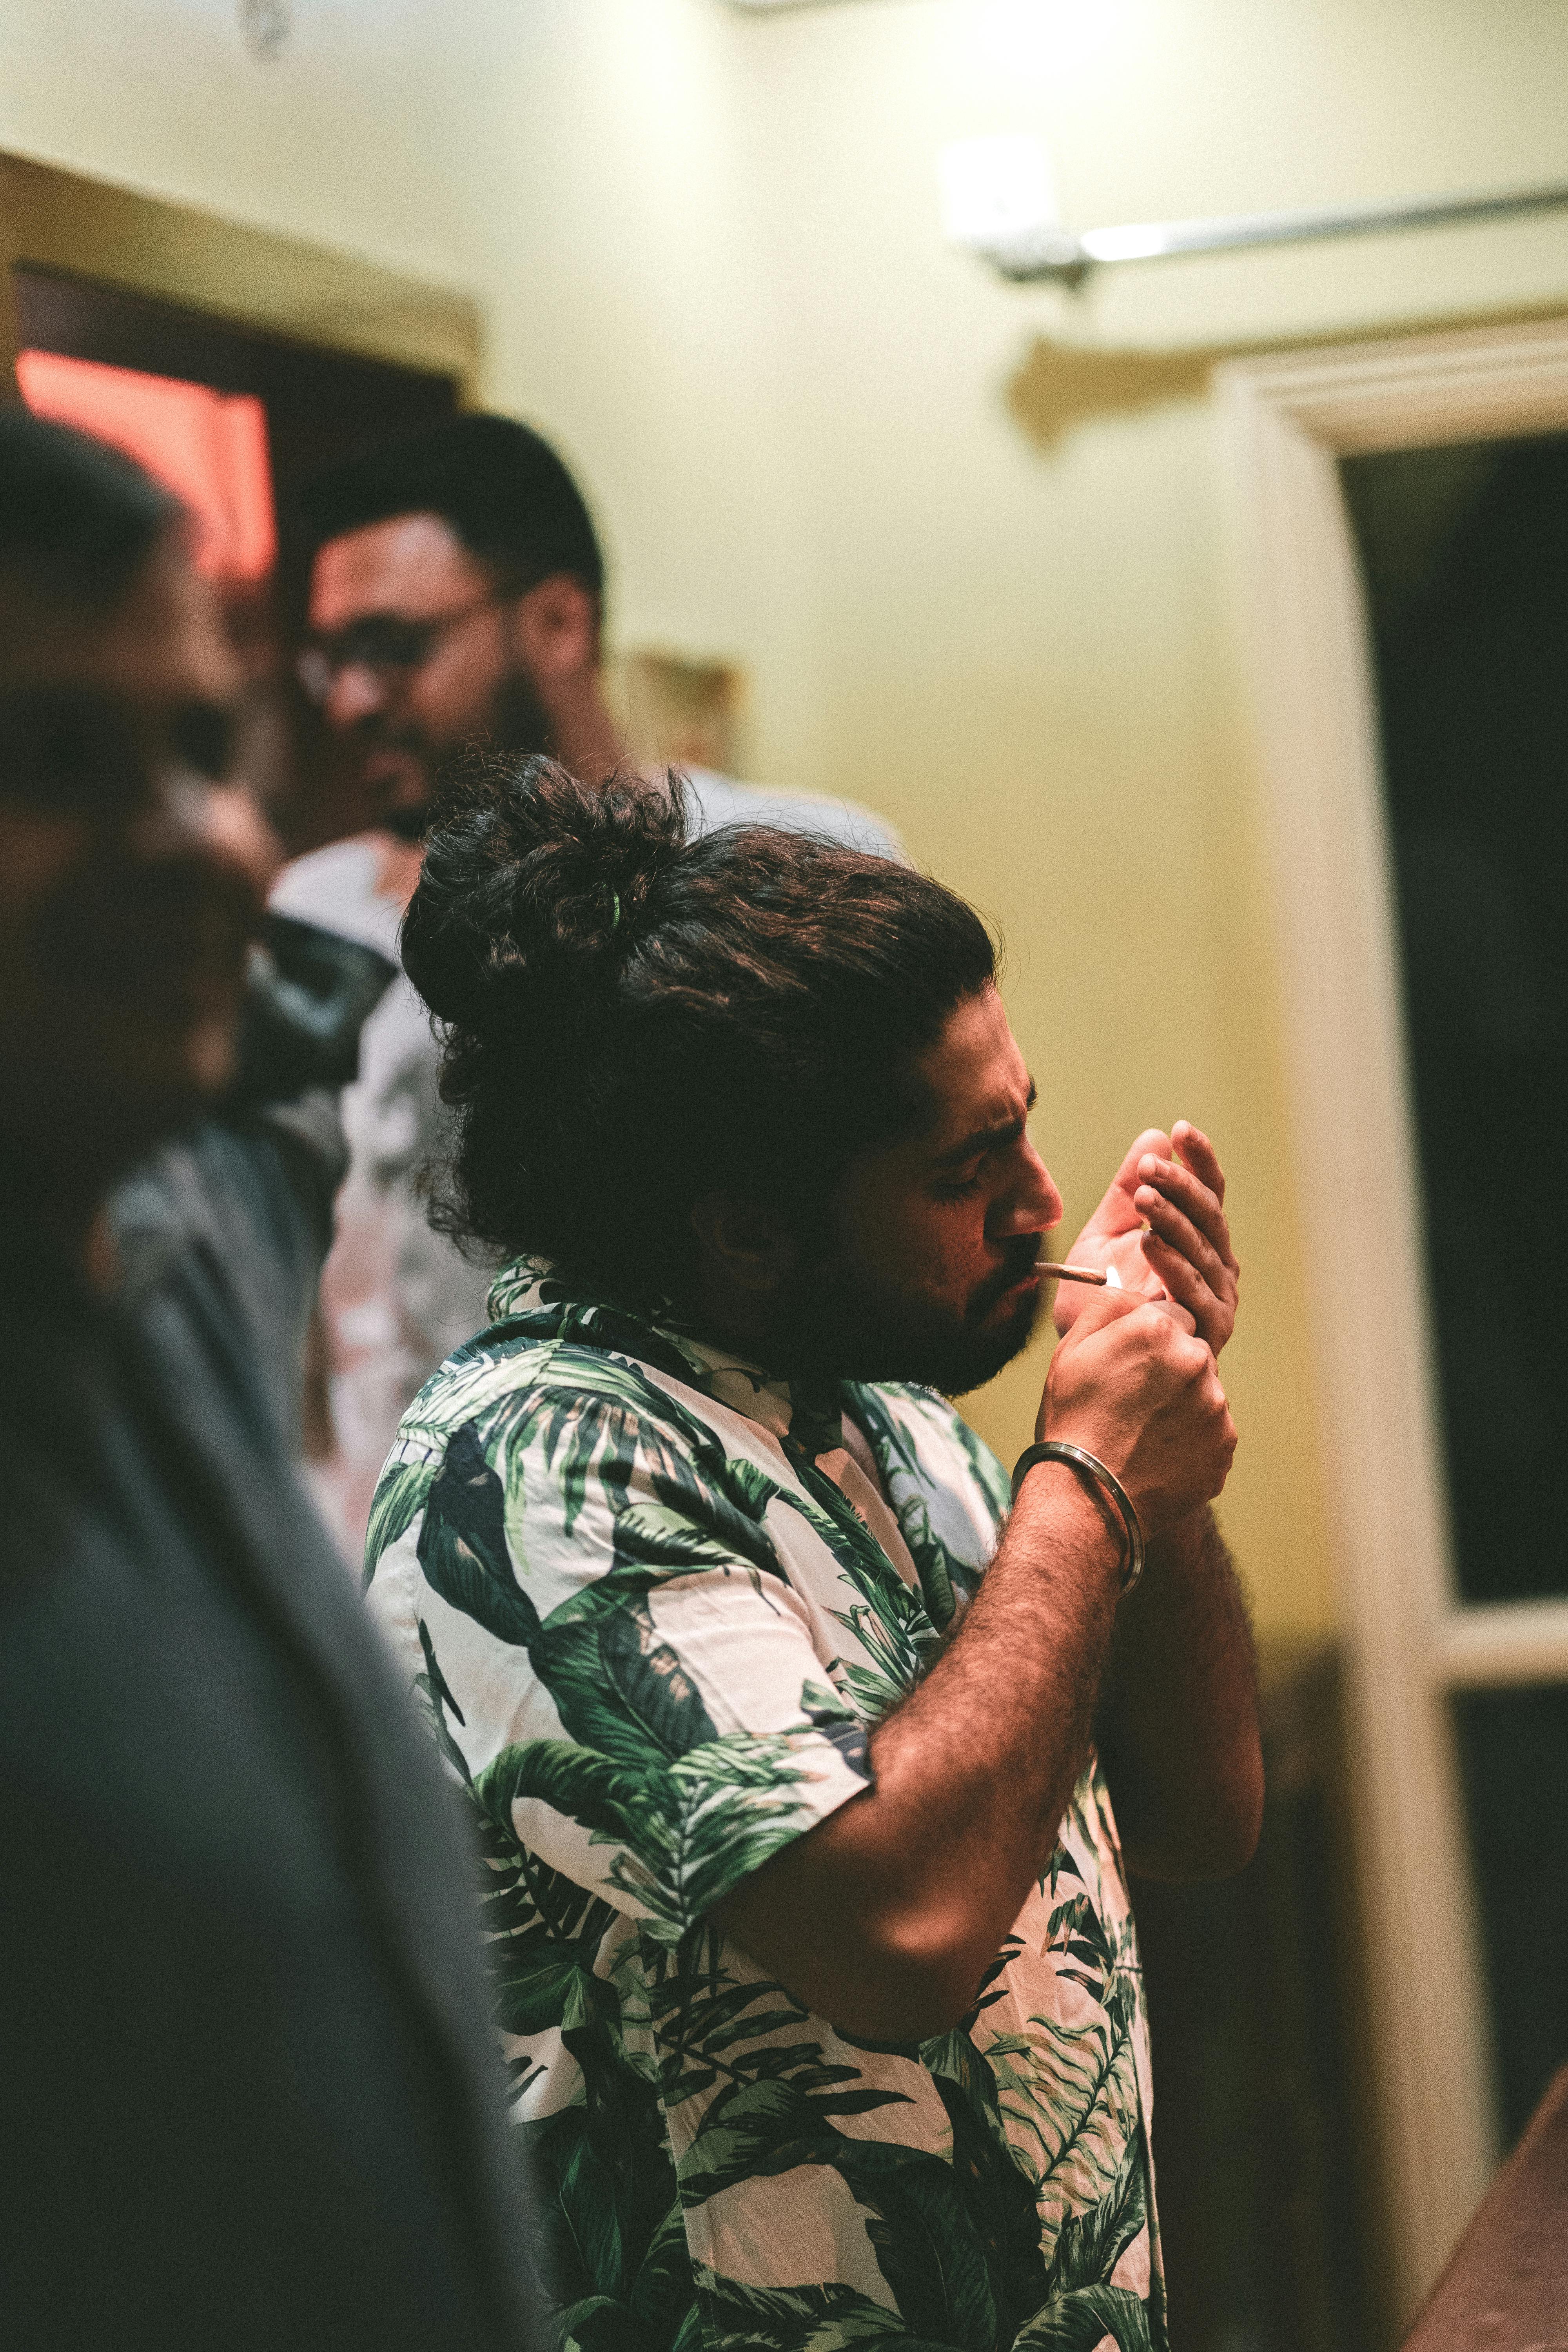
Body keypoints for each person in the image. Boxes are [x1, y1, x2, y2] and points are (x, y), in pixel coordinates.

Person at [363, 754, 1262, 2352]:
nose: (1041, 1203)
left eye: (1025, 1133)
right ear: (748, 1230)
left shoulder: (884, 1414)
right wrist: (1084, 1481)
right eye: (964, 1171)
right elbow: (895, 1930)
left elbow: (1203, 1817)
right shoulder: (542, 1462)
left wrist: (1162, 1492)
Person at [0, 410, 542, 2351]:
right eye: (55, 761)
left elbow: (279, 1077)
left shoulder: (156, 1292)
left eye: (205, 747)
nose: (201, 838)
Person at [270, 414, 902, 1554]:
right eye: (332, 658)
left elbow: (902, 1232)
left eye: (396, 646)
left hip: (744, 1548)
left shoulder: (795, 870)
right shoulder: (300, 926)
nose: (351, 701)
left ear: (559, 621)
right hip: (397, 1583)